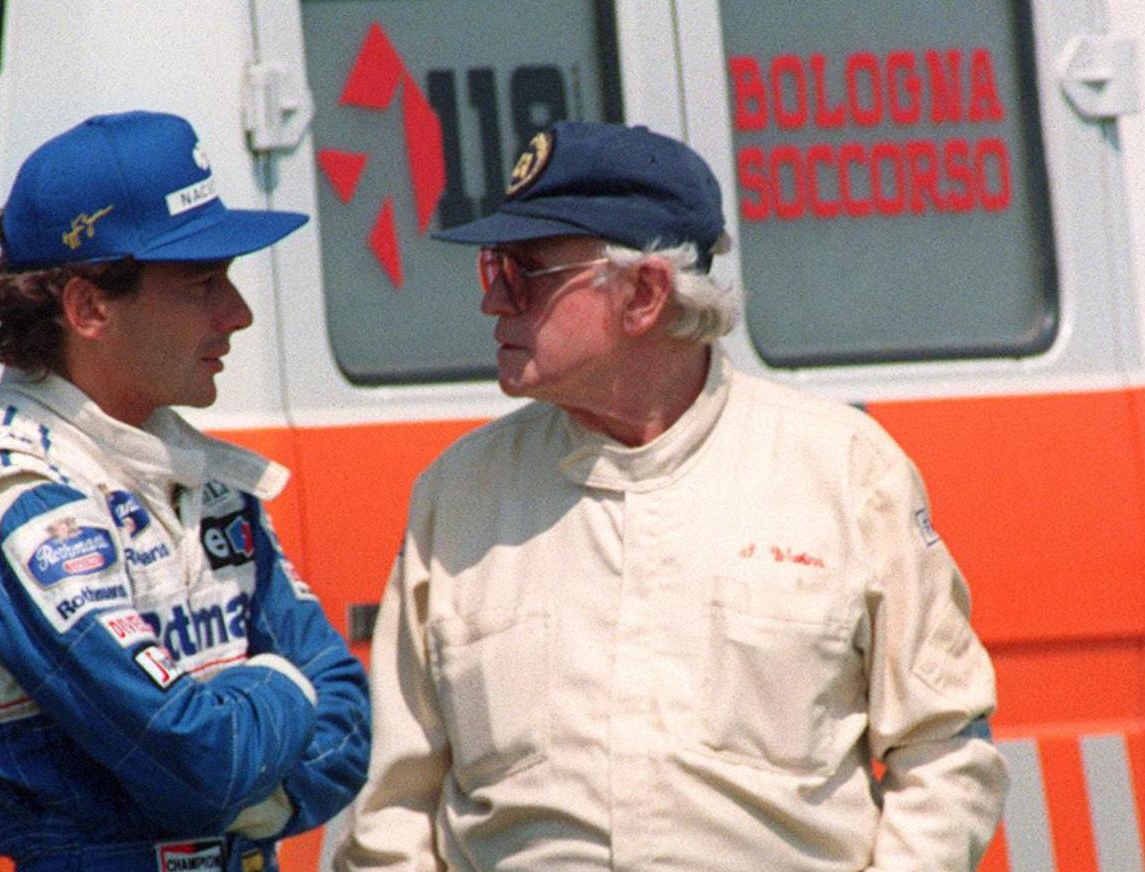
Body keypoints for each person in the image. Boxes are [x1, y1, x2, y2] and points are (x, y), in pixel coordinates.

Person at [337, 121, 1008, 870]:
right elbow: (393, 813)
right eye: (492, 267)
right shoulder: (458, 496)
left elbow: (945, 756)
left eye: (525, 271)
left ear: (645, 294)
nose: (494, 301)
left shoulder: (845, 472)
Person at [0, 110, 369, 872]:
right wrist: (285, 685)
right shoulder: (20, 497)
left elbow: (348, 717)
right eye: (202, 283)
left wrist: (247, 787)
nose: (237, 315)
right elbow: (196, 762)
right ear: (88, 308)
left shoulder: (204, 478)